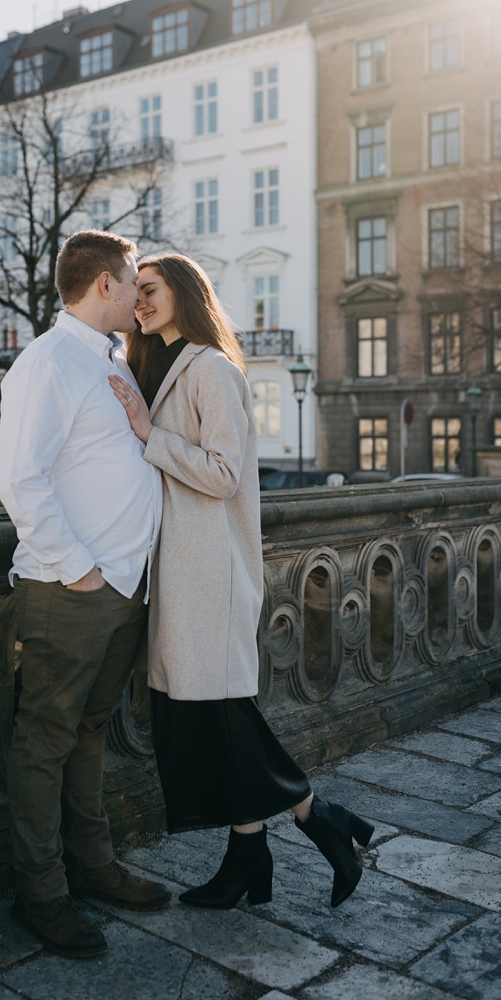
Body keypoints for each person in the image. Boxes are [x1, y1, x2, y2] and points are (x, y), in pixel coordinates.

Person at [106, 252, 372, 911]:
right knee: (209, 722)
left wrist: (147, 434)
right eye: (134, 291)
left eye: (151, 289)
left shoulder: (212, 368)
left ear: (185, 292)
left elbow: (223, 473)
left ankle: (320, 817)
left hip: (210, 575)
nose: (139, 301)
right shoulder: (159, 366)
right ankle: (250, 858)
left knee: (222, 719)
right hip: (179, 573)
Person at [0, 230, 172, 958]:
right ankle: (43, 895)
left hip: (123, 591)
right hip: (72, 591)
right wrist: (78, 569)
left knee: (90, 733)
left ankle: (94, 865)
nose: (139, 294)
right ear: (104, 283)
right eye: (133, 280)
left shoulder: (112, 362)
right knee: (43, 744)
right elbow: (19, 480)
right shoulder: (46, 362)